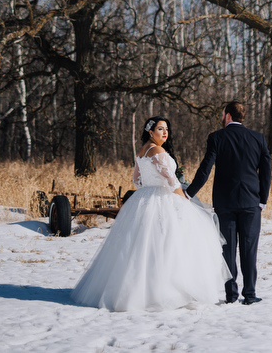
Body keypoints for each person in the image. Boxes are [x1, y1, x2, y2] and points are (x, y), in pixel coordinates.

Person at [70, 116, 230, 311]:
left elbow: (137, 181)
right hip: (163, 199)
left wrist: (151, 185)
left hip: (143, 198)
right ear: (150, 132)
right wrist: (185, 199)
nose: (165, 133)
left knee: (142, 246)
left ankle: (136, 290)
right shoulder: (157, 151)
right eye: (160, 129)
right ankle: (165, 292)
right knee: (167, 244)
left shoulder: (142, 151)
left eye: (167, 129)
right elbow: (172, 182)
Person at [185, 100, 271, 305]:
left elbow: (205, 168)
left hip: (225, 202)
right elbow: (266, 171)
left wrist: (189, 193)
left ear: (228, 116)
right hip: (251, 202)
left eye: (222, 113)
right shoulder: (258, 138)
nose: (221, 117)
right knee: (249, 249)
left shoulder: (217, 137)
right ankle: (249, 294)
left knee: (228, 250)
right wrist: (263, 200)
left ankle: (231, 294)